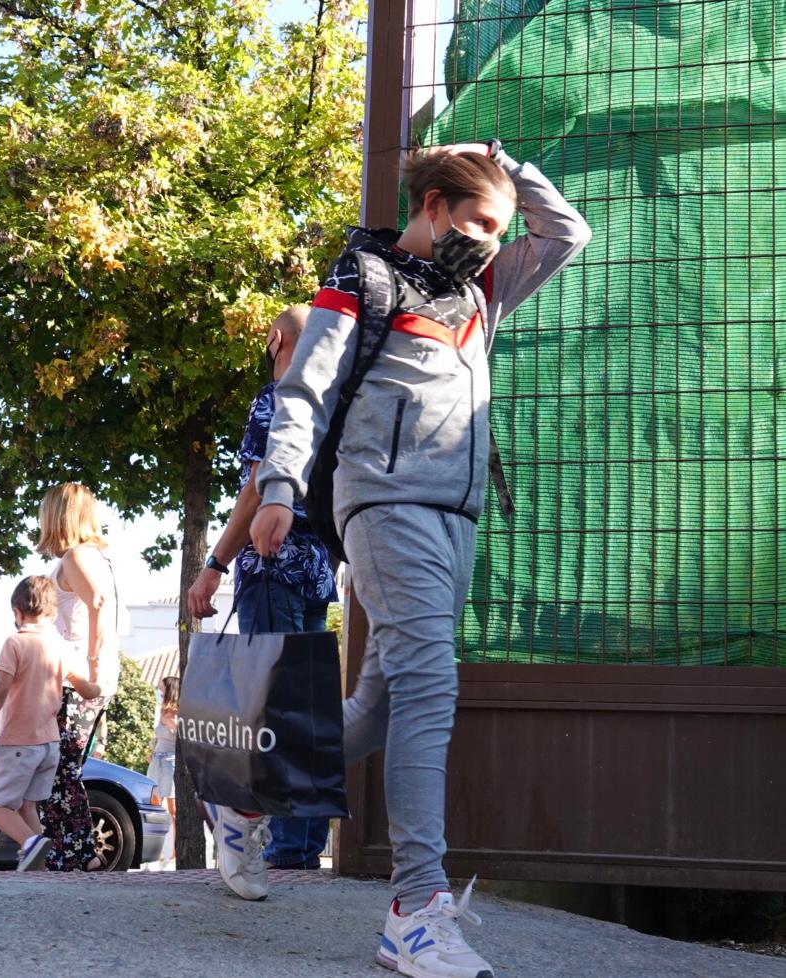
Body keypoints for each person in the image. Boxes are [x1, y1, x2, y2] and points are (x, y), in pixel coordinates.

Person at [248, 144, 591, 976]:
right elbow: (306, 392)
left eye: (500, 229)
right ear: (432, 204)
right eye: (477, 220)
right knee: (433, 681)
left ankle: (249, 794)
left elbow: (568, 233)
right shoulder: (361, 279)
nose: (490, 239)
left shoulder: (482, 289)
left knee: (386, 699)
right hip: (384, 503)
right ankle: (414, 907)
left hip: (459, 516)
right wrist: (279, 488)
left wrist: (507, 166)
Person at [187, 306, 338, 898]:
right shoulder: (329, 406)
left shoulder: (273, 398)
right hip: (316, 572)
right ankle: (297, 850)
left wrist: (212, 566)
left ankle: (242, 826)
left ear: (276, 338)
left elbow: (256, 487)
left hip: (272, 565)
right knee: (304, 710)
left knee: (262, 710)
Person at [0, 576, 100, 871]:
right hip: (50, 746)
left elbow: (2, 687)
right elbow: (86, 689)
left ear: (16, 612)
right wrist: (100, 683)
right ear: (53, 613)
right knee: (27, 805)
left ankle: (30, 844)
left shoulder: (16, 643)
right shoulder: (60, 647)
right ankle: (43, 869)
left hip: (19, 742)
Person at [37, 482, 120, 871]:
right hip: (82, 678)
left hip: (77, 682)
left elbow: (98, 604)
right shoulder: (91, 558)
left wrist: (91, 663)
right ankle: (77, 852)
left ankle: (71, 854)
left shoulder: (76, 557)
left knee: (58, 768)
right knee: (63, 769)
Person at [146, 675, 179, 858]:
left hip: (170, 761)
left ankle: (175, 850)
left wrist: (173, 724)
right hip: (157, 760)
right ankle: (155, 850)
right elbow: (157, 737)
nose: (159, 691)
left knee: (173, 810)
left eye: (161, 688)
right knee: (154, 804)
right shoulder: (161, 712)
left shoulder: (177, 713)